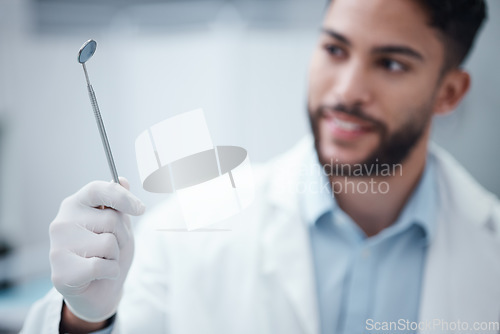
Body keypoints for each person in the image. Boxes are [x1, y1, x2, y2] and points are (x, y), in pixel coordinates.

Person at [22, 0, 500, 333]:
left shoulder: (489, 251)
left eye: (392, 63)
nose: (348, 90)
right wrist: (84, 319)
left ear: (449, 92)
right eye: (335, 50)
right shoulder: (190, 229)